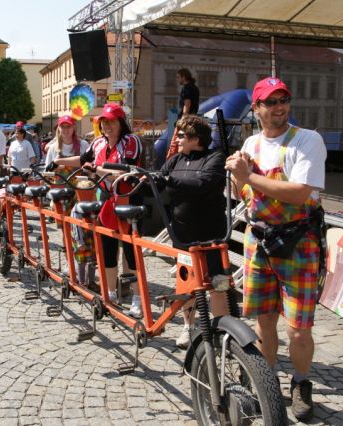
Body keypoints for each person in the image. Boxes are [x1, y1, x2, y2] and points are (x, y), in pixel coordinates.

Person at [225, 77, 326, 421]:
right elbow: (243, 194)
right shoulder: (251, 143)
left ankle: (301, 382)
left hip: (298, 242)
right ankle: (266, 382)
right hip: (260, 241)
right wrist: (237, 178)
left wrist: (248, 177)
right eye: (270, 102)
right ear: (256, 109)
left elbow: (299, 192)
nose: (279, 107)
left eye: (283, 99)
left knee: (298, 326)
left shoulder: (308, 140)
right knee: (265, 319)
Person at [53, 104, 143, 318]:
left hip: (129, 201)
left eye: (111, 121)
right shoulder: (98, 143)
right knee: (108, 250)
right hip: (106, 201)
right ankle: (109, 294)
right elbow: (83, 160)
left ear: (121, 123)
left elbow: (128, 169)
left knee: (132, 255)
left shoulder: (131, 141)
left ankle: (139, 299)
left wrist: (97, 170)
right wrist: (58, 163)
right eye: (103, 122)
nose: (106, 125)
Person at [157, 115, 229, 348]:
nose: (176, 139)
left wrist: (170, 181)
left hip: (212, 236)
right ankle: (188, 328)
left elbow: (202, 185)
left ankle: (222, 331)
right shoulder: (176, 160)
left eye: (181, 135)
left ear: (196, 138)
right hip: (183, 235)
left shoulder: (215, 158)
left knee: (218, 284)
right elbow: (158, 180)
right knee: (186, 284)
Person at [45, 114, 93, 285]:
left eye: (69, 126)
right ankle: (69, 261)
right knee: (65, 228)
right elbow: (49, 174)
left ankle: (85, 264)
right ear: (58, 128)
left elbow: (89, 169)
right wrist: (51, 197)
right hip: (61, 193)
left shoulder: (83, 146)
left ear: (74, 128)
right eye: (62, 127)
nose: (65, 130)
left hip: (80, 191)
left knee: (81, 228)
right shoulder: (53, 149)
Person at [166, 68, 200, 159]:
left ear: (183, 77)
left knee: (175, 144)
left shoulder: (187, 88)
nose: (177, 79)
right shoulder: (195, 88)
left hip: (185, 120)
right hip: (192, 120)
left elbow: (187, 104)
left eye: (178, 77)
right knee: (187, 143)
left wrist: (183, 119)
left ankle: (170, 163)